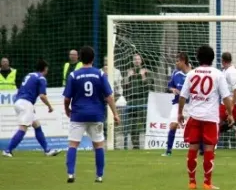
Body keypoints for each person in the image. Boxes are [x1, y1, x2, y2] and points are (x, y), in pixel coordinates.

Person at [178, 45, 233, 190]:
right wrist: (230, 113)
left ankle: (192, 182)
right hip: (210, 117)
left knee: (193, 147)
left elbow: (183, 96)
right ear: (212, 58)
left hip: (194, 116)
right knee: (209, 149)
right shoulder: (218, 74)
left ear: (197, 58)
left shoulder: (191, 73)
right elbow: (226, 97)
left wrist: (179, 113)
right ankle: (207, 183)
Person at [63, 46, 121, 183]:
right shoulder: (99, 74)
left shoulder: (73, 75)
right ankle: (99, 176)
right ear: (93, 59)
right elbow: (109, 97)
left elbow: (67, 98)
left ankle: (71, 174)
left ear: (80, 58)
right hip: (96, 115)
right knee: (99, 145)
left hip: (78, 115)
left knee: (73, 144)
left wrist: (67, 109)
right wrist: (115, 114)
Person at [2, 60, 60, 158]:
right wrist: (50, 106)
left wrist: (30, 107)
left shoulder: (29, 75)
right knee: (23, 128)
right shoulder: (41, 78)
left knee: (37, 125)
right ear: (45, 68)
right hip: (25, 103)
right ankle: (8, 150)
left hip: (19, 101)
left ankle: (47, 150)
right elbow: (42, 96)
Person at [161, 52, 191, 157]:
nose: (176, 63)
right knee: (173, 125)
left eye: (178, 61)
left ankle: (202, 150)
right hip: (178, 103)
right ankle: (168, 151)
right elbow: (170, 86)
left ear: (183, 61)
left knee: (195, 127)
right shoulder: (175, 73)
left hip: (191, 105)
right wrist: (173, 89)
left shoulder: (193, 74)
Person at [124, 53, 153, 149]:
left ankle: (148, 145)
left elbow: (150, 88)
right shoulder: (129, 72)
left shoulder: (146, 71)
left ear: (141, 61)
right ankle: (135, 146)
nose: (136, 61)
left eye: (138, 59)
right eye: (135, 59)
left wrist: (143, 77)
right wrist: (128, 77)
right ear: (132, 61)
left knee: (145, 124)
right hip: (132, 101)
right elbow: (124, 88)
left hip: (143, 100)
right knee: (133, 125)